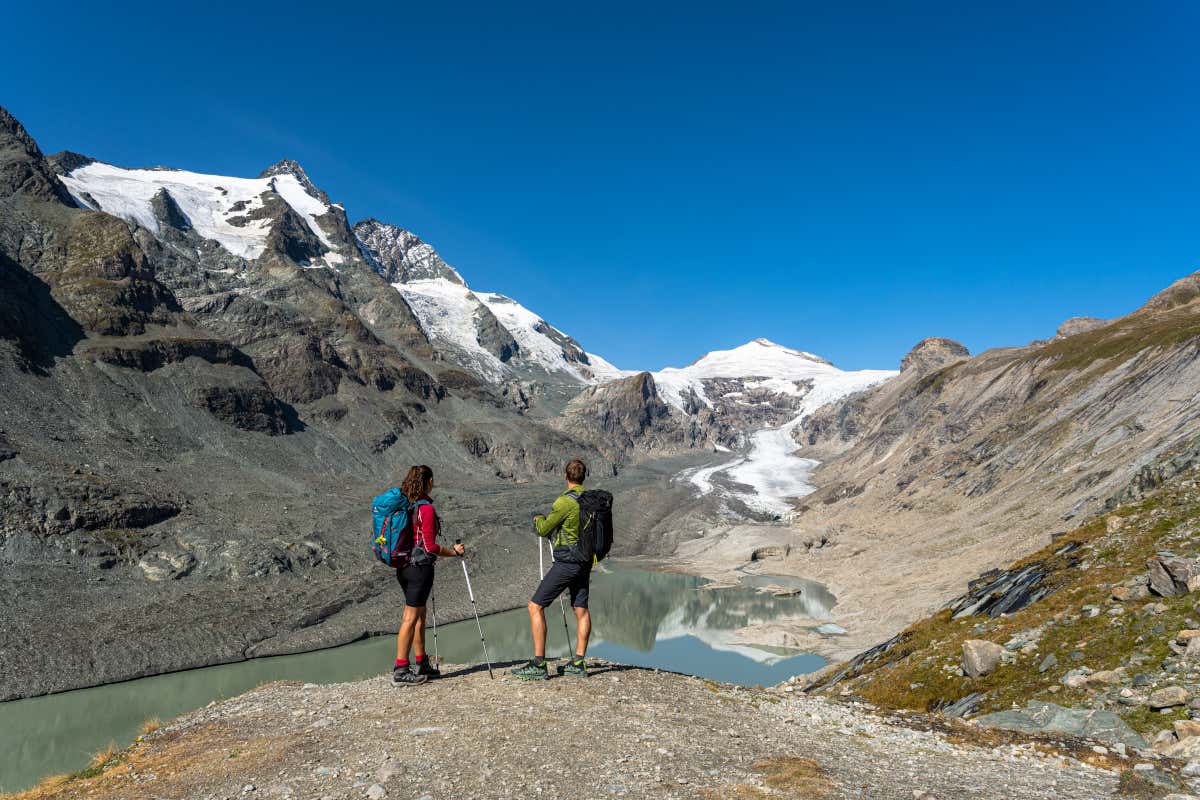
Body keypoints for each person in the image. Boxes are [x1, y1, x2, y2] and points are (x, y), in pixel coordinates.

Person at [513, 458, 593, 680]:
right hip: (585, 562)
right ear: (584, 477)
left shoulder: (564, 502)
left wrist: (539, 520)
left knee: (535, 606)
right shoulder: (591, 499)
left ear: (566, 476)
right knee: (581, 609)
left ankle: (539, 665)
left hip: (567, 562)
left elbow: (545, 528)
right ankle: (579, 662)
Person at [393, 465, 464, 686]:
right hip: (419, 569)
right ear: (429, 482)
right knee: (411, 618)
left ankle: (422, 662)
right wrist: (453, 552)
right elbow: (431, 546)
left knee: (419, 616)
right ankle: (401, 669)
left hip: (404, 568)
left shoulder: (406, 505)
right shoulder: (426, 509)